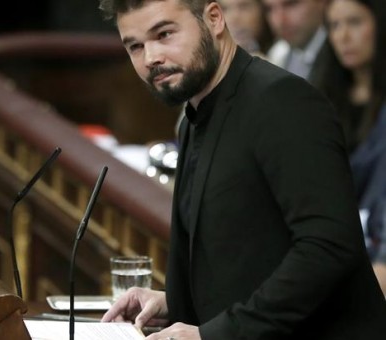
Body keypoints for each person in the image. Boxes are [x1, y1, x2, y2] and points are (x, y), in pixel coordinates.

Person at [96, 0, 386, 339]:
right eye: (135, 46)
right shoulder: (194, 116)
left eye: (164, 34)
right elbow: (247, 256)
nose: (151, 58)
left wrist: (213, 335)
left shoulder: (283, 101)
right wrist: (175, 303)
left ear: (214, 19)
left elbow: (328, 248)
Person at [321, 0, 386, 295]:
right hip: (331, 245)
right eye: (334, 25)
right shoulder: (321, 91)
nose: (343, 36)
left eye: (355, 23)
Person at [261, 0, 333, 88]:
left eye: (291, 4)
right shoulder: (276, 55)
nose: (279, 21)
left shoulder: (344, 58)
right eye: (269, 9)